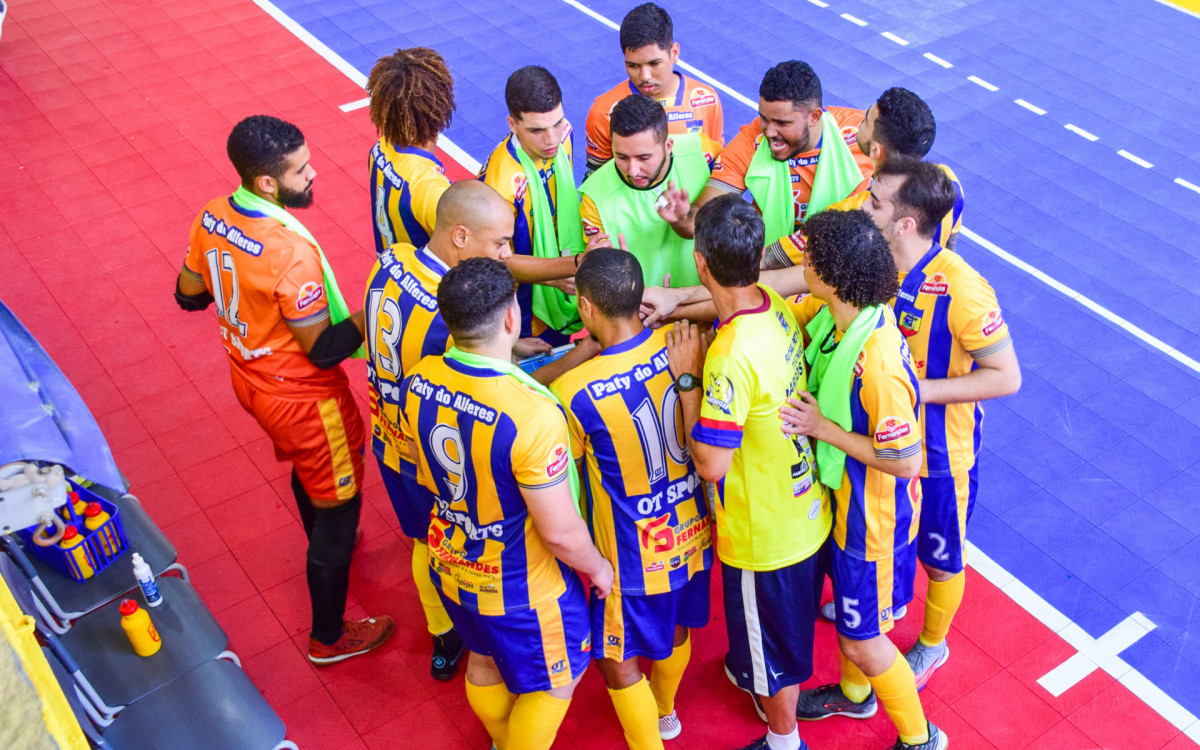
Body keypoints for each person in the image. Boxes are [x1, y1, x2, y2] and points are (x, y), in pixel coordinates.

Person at [175, 115, 394, 665]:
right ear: (267, 183)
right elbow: (323, 349)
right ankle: (328, 637)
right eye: (301, 170)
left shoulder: (212, 216)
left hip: (249, 380)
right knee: (341, 510)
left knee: (307, 474)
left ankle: (321, 529)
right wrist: (376, 304)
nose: (314, 174)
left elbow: (189, 295)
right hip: (304, 398)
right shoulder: (288, 250)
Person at [397, 258, 615, 750]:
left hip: (452, 562)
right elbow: (559, 531)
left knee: (482, 658)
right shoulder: (533, 414)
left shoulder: (420, 378)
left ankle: (499, 739)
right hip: (524, 589)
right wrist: (598, 568)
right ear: (512, 318)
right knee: (560, 679)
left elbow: (415, 456)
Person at [665, 195, 830, 750]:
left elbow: (711, 464)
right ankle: (750, 666)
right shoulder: (773, 306)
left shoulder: (728, 358)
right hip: (802, 509)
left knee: (775, 657)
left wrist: (689, 379)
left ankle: (785, 740)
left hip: (762, 537)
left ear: (701, 262)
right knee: (778, 635)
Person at [779, 209, 943, 750]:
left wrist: (821, 428)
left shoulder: (876, 363)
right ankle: (855, 698)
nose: (800, 261)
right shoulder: (838, 318)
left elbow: (904, 460)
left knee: (863, 641)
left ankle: (920, 738)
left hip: (871, 525)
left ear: (831, 274)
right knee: (854, 632)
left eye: (809, 257)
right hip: (844, 507)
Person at [861, 156, 1020, 691]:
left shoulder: (964, 289)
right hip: (879, 447)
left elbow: (1006, 377)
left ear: (906, 223)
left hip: (939, 460)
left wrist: (915, 392)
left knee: (941, 555)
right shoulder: (876, 262)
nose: (864, 206)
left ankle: (932, 644)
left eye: (875, 202)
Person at [549, 249, 713, 748]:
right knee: (677, 628)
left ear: (586, 308)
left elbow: (564, 478)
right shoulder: (684, 340)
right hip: (694, 532)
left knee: (615, 659)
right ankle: (664, 711)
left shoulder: (573, 389)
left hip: (631, 554)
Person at [363, 180, 517, 680]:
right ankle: (475, 637)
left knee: (420, 543)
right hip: (431, 453)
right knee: (453, 544)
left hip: (386, 435)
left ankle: (440, 634)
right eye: (498, 243)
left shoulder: (392, 258)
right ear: (460, 237)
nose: (506, 254)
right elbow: (475, 392)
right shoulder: (447, 314)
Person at [656, 60, 873, 256]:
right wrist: (681, 218)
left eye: (783, 123)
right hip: (773, 266)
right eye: (764, 119)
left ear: (814, 117)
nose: (769, 132)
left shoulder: (861, 135)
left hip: (845, 260)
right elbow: (700, 221)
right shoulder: (751, 142)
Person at [480, 65, 610, 348]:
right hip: (524, 311)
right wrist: (564, 270)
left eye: (557, 123)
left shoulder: (566, 136)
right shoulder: (500, 185)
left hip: (565, 281)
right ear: (512, 124)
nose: (551, 139)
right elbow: (497, 262)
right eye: (537, 130)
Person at [768, 87, 965, 270]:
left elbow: (773, 257)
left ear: (875, 150)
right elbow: (949, 244)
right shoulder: (949, 183)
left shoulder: (854, 211)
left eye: (866, 120)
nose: (860, 114)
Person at [580, 95, 716, 289]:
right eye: (621, 157)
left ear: (668, 146)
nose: (633, 170)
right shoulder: (594, 197)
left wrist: (686, 220)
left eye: (644, 157)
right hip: (641, 309)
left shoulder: (704, 154)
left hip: (705, 301)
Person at [584, 2, 724, 174]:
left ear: (674, 53)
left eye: (654, 63)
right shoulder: (604, 113)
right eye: (633, 66)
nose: (645, 76)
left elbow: (717, 168)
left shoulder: (706, 100)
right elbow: (596, 180)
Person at [366, 47, 455, 256]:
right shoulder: (429, 188)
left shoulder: (380, 148)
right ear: (441, 105)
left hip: (395, 274)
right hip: (429, 285)